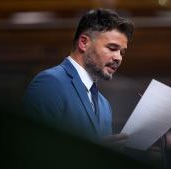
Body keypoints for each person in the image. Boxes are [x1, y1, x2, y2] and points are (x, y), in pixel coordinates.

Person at [23, 9, 134, 146]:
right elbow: (34, 149)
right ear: (84, 43)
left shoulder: (104, 105)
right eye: (112, 48)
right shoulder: (50, 83)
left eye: (122, 52)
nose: (118, 57)